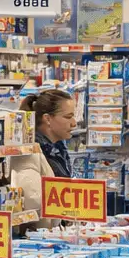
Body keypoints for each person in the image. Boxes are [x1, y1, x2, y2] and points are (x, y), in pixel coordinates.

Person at [10, 88, 77, 217]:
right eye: (68, 117)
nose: (74, 123)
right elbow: (34, 201)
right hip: (41, 231)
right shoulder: (31, 151)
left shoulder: (58, 148)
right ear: (47, 119)